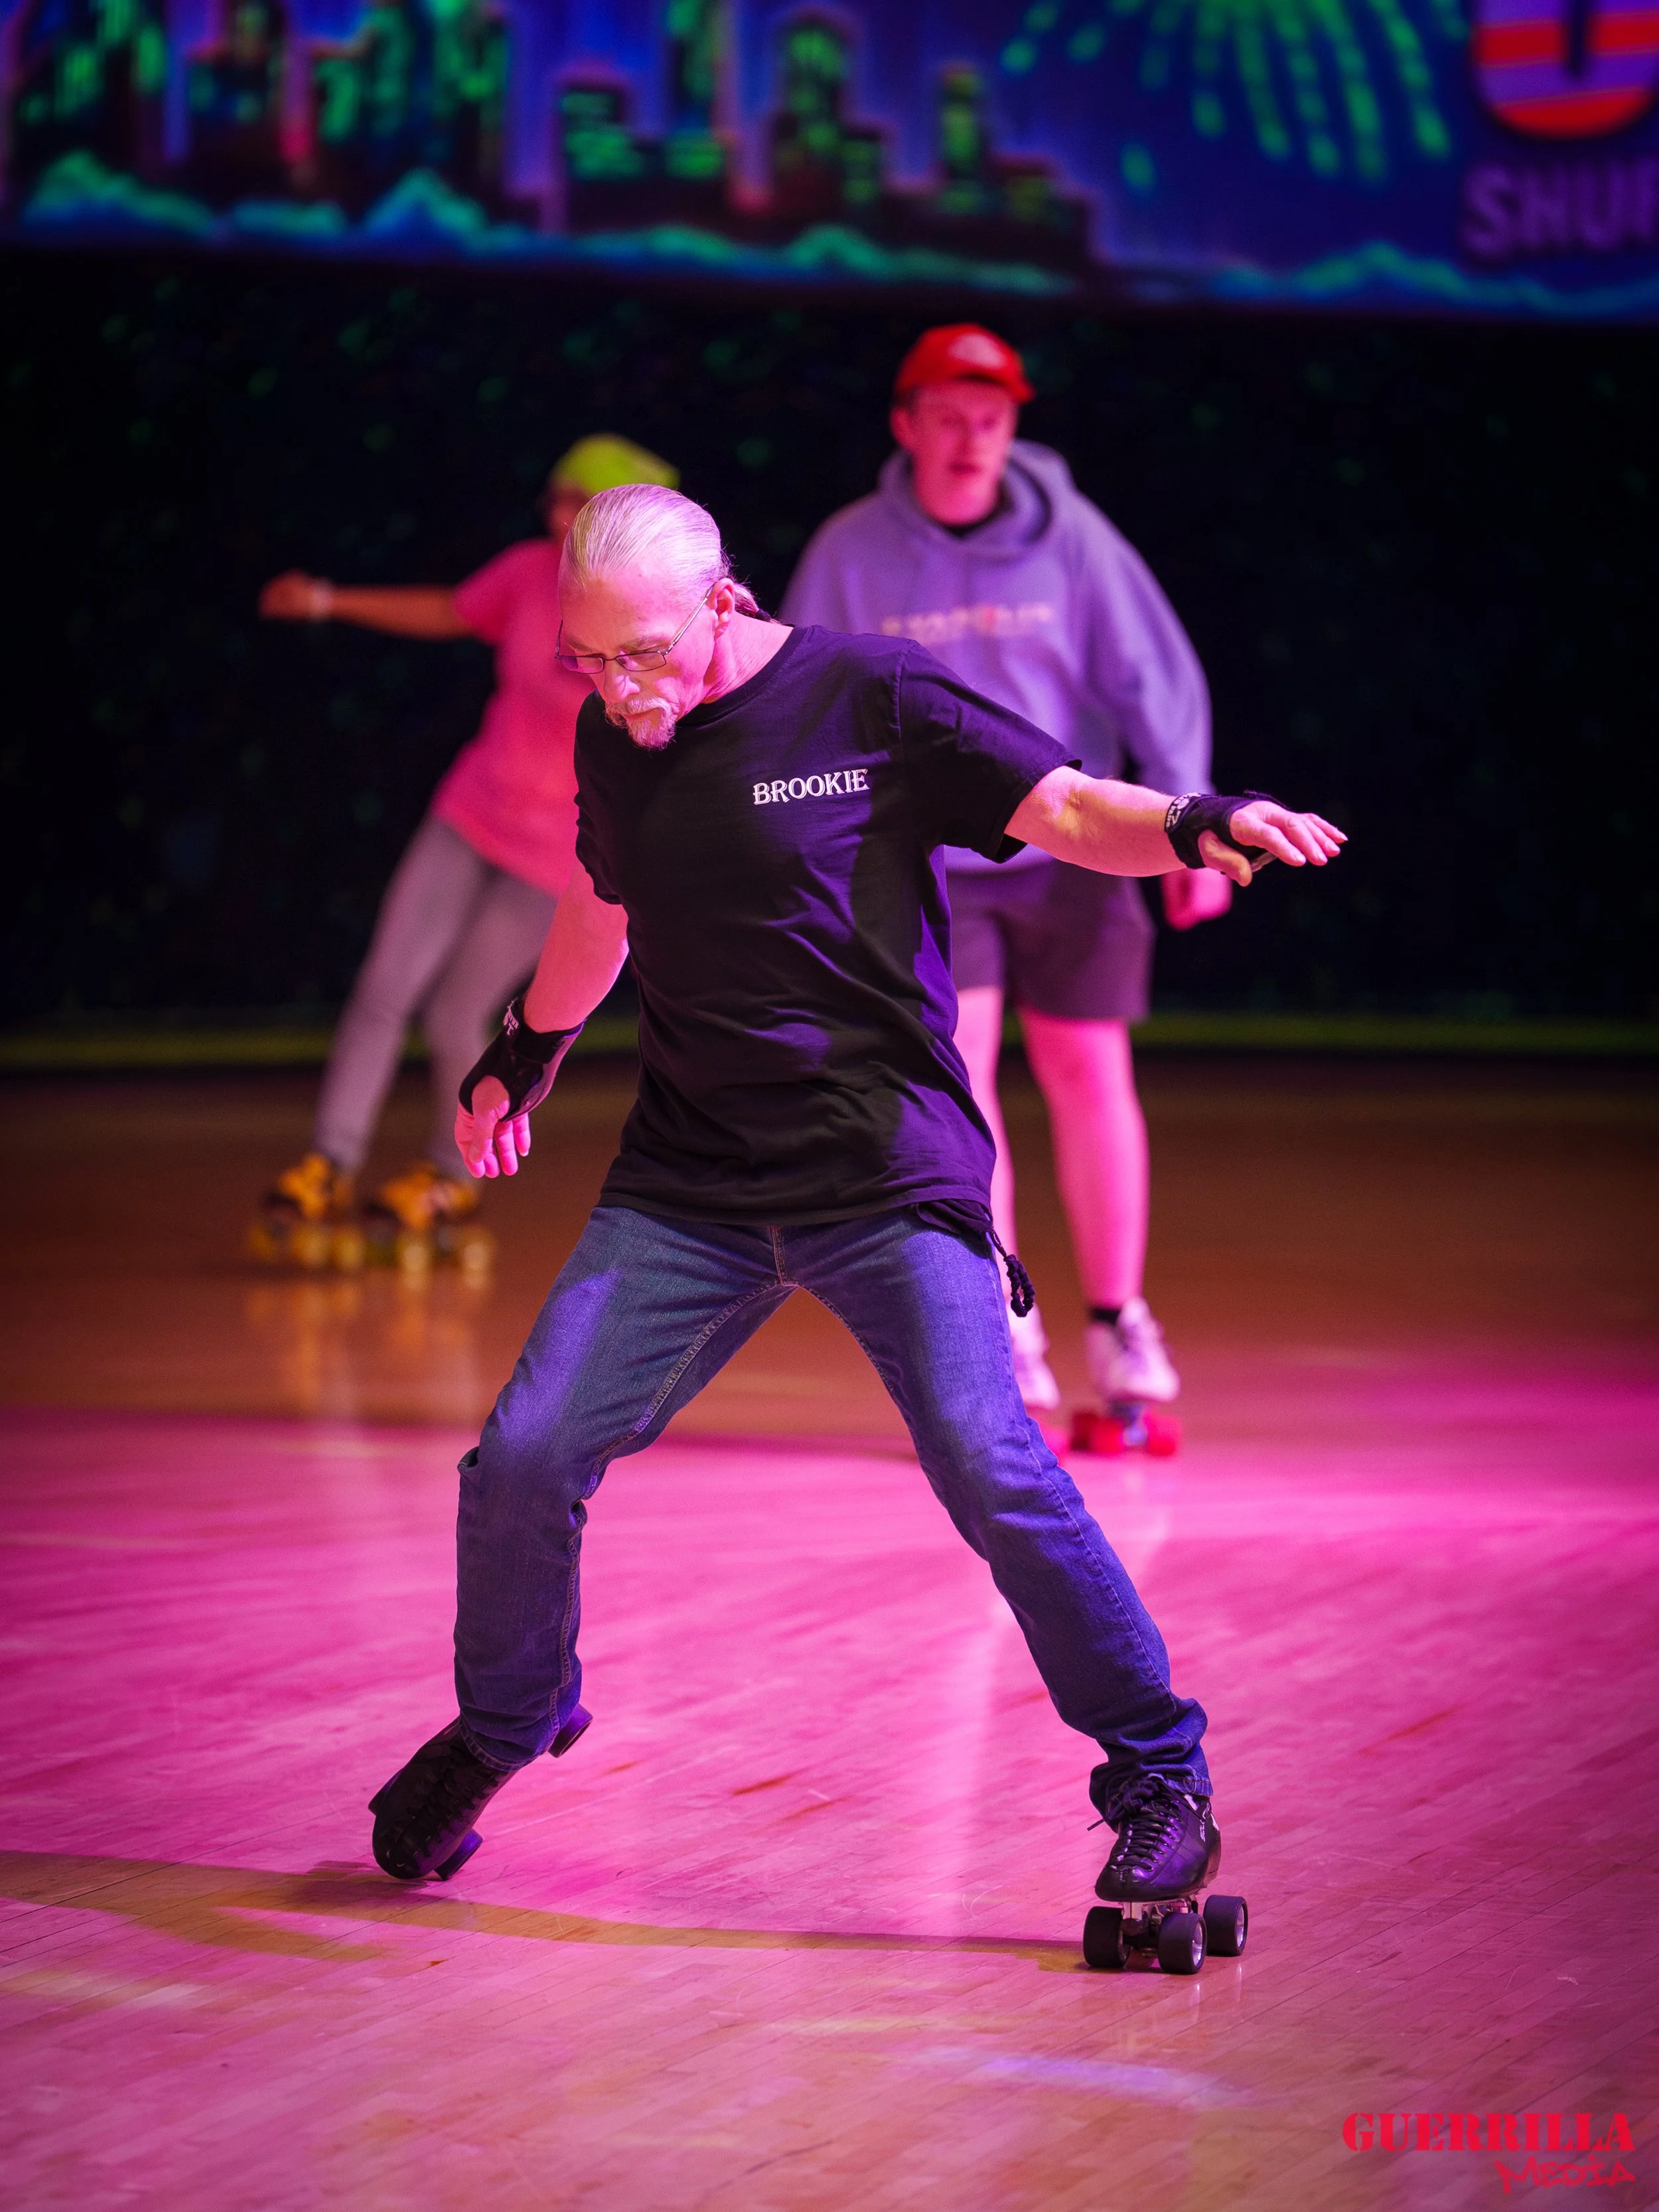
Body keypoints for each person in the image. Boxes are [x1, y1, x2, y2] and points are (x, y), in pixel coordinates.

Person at [364, 482, 1343, 1905]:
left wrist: (1197, 820)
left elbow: (1066, 805)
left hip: (882, 1166)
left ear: (721, 601)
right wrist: (525, 1045)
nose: (619, 689)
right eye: (590, 659)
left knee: (984, 1457)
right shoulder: (614, 731)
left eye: (643, 653)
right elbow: (603, 898)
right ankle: (509, 1719)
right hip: (690, 1181)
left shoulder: (870, 696)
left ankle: (1156, 1770)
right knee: (520, 1460)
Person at [782, 324, 1224, 1418]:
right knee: (961, 1084)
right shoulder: (850, 549)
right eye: (949, 413)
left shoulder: (1072, 537)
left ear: (1014, 427)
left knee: (1089, 1069)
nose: (972, 435)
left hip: (1075, 834)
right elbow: (796, 698)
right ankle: (1006, 1325)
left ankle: (1120, 1320)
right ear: (908, 425)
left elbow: (1152, 671)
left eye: (993, 415)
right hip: (930, 855)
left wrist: (1186, 819)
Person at [252, 433, 678, 1255]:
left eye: (575, 502)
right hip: (471, 813)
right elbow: (452, 610)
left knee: (461, 1012)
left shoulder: (642, 610)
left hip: (554, 855)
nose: (554, 514)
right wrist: (326, 600)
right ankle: (327, 1160)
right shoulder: (526, 574)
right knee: (385, 986)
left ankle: (448, 1176)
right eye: (554, 496)